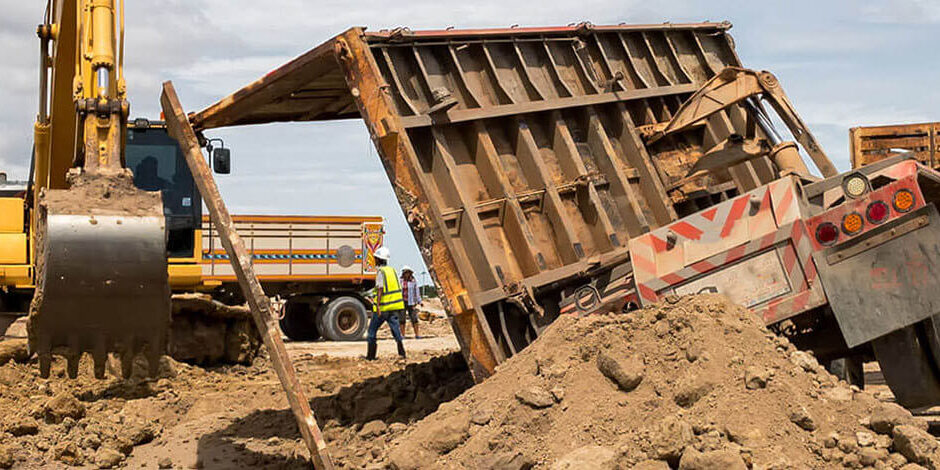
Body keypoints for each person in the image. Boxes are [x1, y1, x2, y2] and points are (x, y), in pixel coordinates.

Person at [365, 246, 406, 360]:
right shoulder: (392, 270)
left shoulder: (380, 272)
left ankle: (371, 356)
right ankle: (402, 352)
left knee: (372, 331)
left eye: (375, 258)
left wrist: (377, 306)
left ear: (378, 259)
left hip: (383, 308)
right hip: (394, 307)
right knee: (395, 330)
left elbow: (380, 289)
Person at [400, 266, 422, 339]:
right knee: (402, 319)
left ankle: (417, 334)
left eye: (408, 272)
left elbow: (417, 291)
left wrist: (419, 301)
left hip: (411, 302)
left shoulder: (413, 281)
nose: (407, 274)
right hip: (402, 302)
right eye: (406, 272)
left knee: (414, 319)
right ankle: (402, 335)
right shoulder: (400, 281)